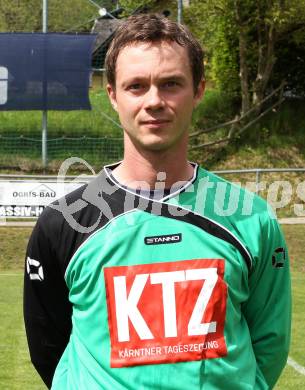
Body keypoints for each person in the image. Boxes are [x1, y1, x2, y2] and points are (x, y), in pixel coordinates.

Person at [24, 13, 291, 390]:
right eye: (136, 86)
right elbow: (48, 346)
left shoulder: (251, 218)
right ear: (113, 95)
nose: (154, 101)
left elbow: (270, 343)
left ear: (198, 90)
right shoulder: (64, 222)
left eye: (171, 84)